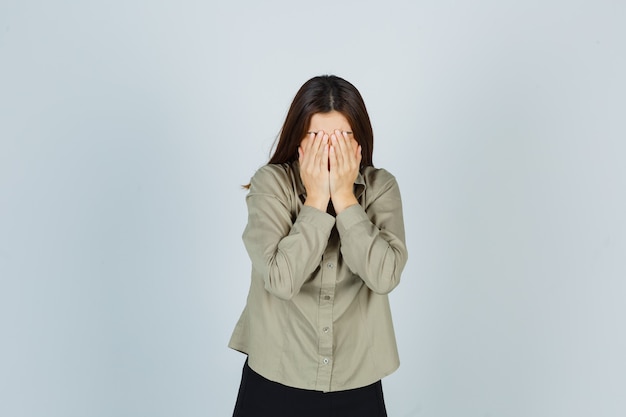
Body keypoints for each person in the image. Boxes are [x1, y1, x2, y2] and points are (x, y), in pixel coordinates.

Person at [229, 75, 408, 417]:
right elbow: (282, 280)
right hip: (274, 377)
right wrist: (315, 201)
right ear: (298, 139)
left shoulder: (381, 187)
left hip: (357, 380)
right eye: (316, 137)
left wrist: (343, 198)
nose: (329, 150)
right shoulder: (271, 185)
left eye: (341, 138)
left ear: (358, 142)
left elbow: (385, 276)